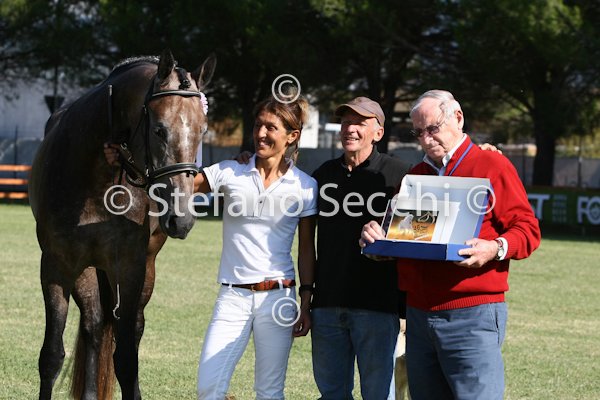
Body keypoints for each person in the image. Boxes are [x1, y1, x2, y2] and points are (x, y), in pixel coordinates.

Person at [105, 95, 318, 400]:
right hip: (232, 297)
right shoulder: (231, 171)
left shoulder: (306, 186)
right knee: (209, 387)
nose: (260, 133)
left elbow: (307, 250)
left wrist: (305, 302)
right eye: (258, 125)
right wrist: (126, 162)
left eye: (271, 128)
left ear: (292, 136)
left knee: (270, 392)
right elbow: (172, 183)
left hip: (279, 299)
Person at [360, 90, 541, 400]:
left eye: (433, 128)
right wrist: (377, 240)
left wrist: (493, 248)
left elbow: (528, 230)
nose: (426, 139)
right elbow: (404, 239)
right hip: (418, 316)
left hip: (472, 312)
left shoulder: (492, 165)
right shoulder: (415, 176)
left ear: (458, 118)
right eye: (418, 132)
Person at [311, 96, 411, 399]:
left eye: (359, 123)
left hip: (377, 307)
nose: (350, 129)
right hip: (327, 305)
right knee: (332, 394)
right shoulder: (323, 175)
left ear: (378, 133)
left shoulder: (401, 175)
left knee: (379, 395)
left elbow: (417, 234)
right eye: (345, 122)